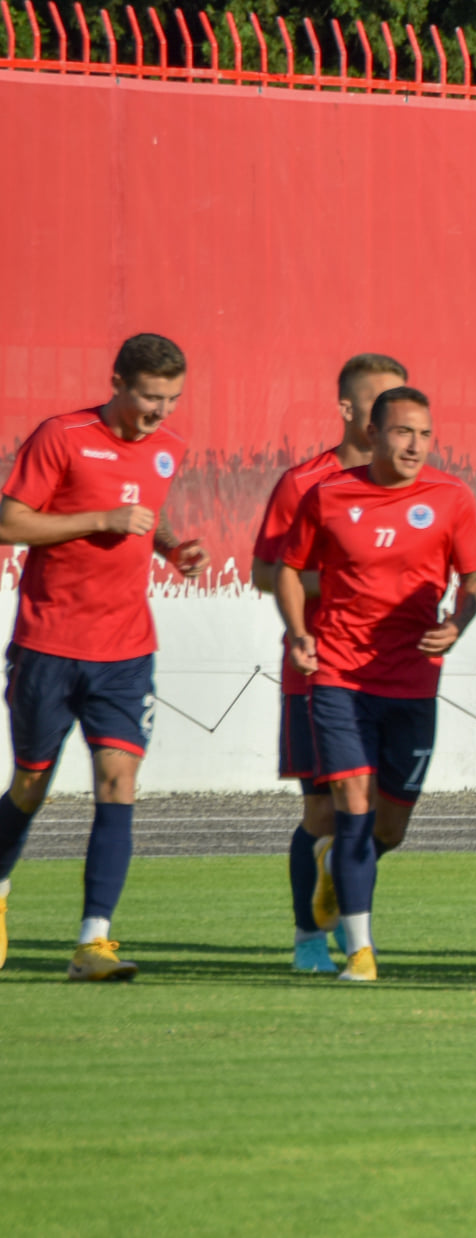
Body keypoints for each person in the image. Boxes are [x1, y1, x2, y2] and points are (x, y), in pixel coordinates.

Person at [0, 333, 207, 980]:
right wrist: (100, 521)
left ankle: (94, 942)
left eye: (171, 398)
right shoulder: (61, 436)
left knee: (118, 781)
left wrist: (173, 549)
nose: (160, 411)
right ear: (117, 381)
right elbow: (10, 522)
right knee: (31, 786)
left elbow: (148, 514)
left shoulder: (169, 449)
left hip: (125, 650)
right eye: (150, 396)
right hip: (49, 644)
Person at [275, 386, 476, 982]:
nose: (414, 445)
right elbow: (288, 571)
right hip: (339, 676)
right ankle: (361, 952)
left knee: (386, 828)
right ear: (372, 435)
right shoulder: (328, 495)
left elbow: (474, 579)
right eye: (402, 432)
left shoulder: (451, 498)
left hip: (414, 683)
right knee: (352, 805)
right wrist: (298, 631)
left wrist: (457, 624)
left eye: (424, 434)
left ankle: (332, 869)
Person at [252, 353, 408, 974]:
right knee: (324, 812)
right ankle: (312, 941)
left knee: (385, 823)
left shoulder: (418, 488)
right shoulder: (305, 483)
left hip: (396, 676)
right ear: (348, 410)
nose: (394, 422)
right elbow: (268, 570)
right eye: (380, 407)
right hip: (321, 671)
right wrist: (347, 582)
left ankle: (337, 887)